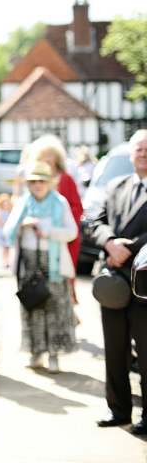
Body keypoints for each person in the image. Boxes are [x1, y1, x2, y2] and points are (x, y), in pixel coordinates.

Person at [87, 129, 147, 432]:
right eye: (138, 149)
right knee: (114, 349)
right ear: (131, 153)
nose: (143, 154)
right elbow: (95, 222)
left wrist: (129, 249)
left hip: (144, 285)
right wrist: (110, 243)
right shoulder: (114, 185)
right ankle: (119, 410)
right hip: (112, 282)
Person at [3, 161, 77, 373]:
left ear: (49, 183)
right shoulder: (23, 203)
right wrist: (22, 224)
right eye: (33, 181)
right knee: (32, 307)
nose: (37, 185)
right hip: (29, 262)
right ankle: (35, 352)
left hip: (53, 264)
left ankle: (53, 355)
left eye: (41, 181)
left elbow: (71, 231)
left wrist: (48, 230)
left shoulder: (59, 202)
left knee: (54, 309)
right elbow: (9, 231)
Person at [29, 136, 83, 274]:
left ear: (57, 157)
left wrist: (61, 217)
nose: (47, 159)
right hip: (41, 237)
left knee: (65, 275)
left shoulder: (66, 178)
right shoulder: (34, 181)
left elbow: (77, 206)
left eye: (50, 155)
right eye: (43, 155)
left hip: (64, 234)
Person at [0, 193, 13, 268]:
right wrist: (6, 222)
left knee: (8, 247)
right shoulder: (0, 211)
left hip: (8, 232)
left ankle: (7, 259)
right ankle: (4, 260)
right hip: (2, 232)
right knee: (5, 247)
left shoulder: (10, 211)